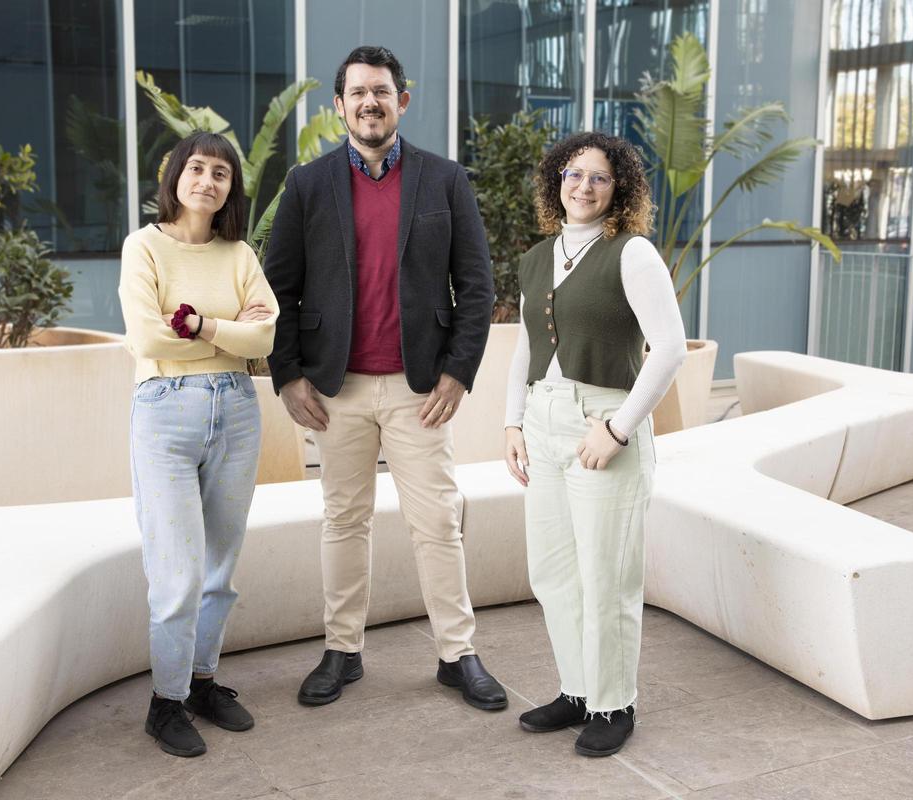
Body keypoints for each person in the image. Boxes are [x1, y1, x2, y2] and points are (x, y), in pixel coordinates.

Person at [263, 45, 507, 711]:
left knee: (437, 522)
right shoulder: (307, 185)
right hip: (333, 390)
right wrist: (287, 376)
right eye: (357, 92)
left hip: (418, 388)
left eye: (382, 91)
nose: (370, 102)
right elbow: (277, 288)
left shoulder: (445, 180)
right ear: (338, 105)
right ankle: (343, 650)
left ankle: (458, 655)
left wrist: (459, 371)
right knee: (343, 520)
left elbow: (478, 285)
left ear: (404, 99)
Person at [503, 132, 686, 756]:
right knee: (552, 572)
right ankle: (577, 690)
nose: (583, 187)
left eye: (599, 178)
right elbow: (525, 347)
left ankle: (614, 704)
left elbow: (671, 349)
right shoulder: (536, 257)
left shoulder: (631, 253)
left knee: (606, 575)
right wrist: (511, 423)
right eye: (573, 174)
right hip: (544, 422)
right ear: (557, 180)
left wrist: (618, 428)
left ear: (620, 190)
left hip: (604, 421)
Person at [118, 131, 280, 758]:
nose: (207, 181)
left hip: (237, 411)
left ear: (230, 187)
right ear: (175, 178)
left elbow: (265, 338)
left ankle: (203, 682)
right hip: (165, 411)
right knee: (177, 569)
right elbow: (148, 339)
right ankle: (166, 702)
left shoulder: (239, 254)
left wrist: (205, 325)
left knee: (220, 566)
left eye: (220, 172)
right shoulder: (144, 247)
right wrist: (228, 335)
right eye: (196, 169)